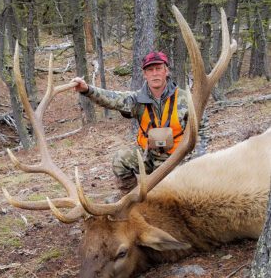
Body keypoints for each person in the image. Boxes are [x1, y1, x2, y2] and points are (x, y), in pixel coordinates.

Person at [71, 51, 210, 194]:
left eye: (158, 68)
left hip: (178, 159)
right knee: (120, 159)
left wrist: (197, 160)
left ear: (166, 71)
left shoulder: (187, 99)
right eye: (150, 70)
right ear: (145, 74)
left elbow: (202, 128)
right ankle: (130, 199)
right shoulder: (137, 99)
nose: (154, 73)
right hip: (149, 156)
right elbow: (111, 98)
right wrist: (87, 89)